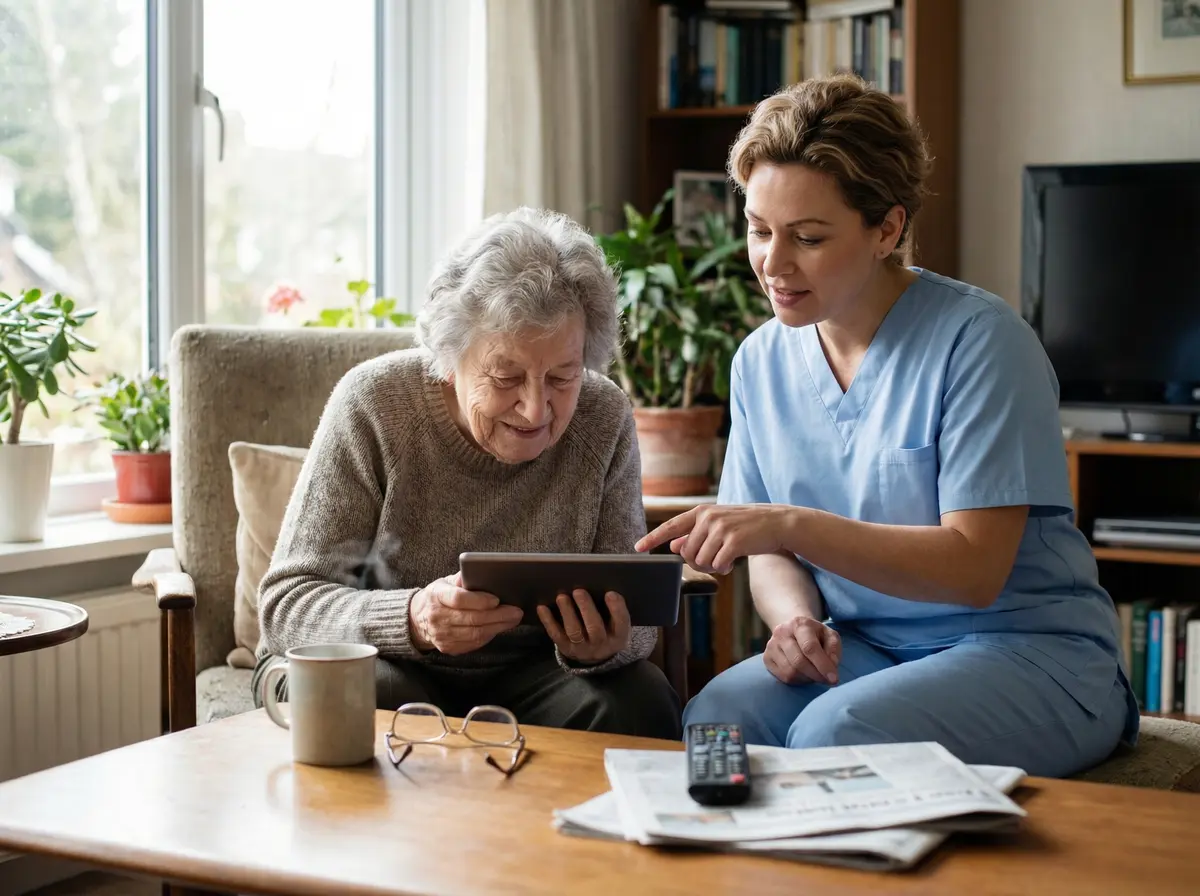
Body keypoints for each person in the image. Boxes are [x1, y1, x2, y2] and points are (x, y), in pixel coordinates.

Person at [635, 74, 1139, 777]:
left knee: (835, 736)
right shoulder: (759, 360)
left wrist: (789, 525)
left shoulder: (982, 342)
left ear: (888, 229)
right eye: (757, 231)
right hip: (866, 648)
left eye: (807, 238)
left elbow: (974, 569)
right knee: (716, 722)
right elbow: (768, 550)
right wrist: (793, 624)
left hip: (1026, 651)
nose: (772, 265)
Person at [252, 207, 681, 740]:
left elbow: (638, 615)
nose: (535, 410)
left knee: (640, 699)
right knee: (377, 693)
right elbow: (286, 606)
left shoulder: (603, 416)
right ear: (449, 359)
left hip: (534, 679)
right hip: (387, 665)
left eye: (562, 378)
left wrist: (608, 643)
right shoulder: (374, 406)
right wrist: (411, 618)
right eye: (506, 377)